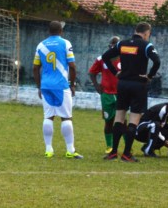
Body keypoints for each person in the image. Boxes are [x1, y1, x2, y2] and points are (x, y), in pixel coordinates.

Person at [101, 21, 161, 162]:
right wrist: (150, 76)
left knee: (119, 118)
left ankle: (113, 152)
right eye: (148, 34)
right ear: (146, 33)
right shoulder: (146, 45)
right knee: (134, 119)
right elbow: (157, 61)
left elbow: (105, 56)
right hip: (138, 85)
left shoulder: (122, 44)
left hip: (122, 84)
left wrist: (115, 72)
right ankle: (127, 154)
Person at [33, 21, 83, 159]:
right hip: (61, 86)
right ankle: (70, 150)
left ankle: (48, 150)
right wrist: (72, 84)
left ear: (48, 31)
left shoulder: (41, 45)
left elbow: (35, 68)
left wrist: (39, 86)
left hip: (46, 85)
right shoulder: (65, 43)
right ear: (61, 31)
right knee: (66, 117)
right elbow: (72, 66)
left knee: (48, 116)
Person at [89, 36, 121, 153]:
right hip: (107, 95)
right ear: (109, 45)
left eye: (116, 44)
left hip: (121, 94)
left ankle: (127, 148)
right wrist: (96, 85)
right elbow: (92, 72)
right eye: (112, 43)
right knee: (109, 121)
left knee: (122, 121)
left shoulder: (125, 58)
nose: (114, 46)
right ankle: (109, 146)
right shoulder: (101, 59)